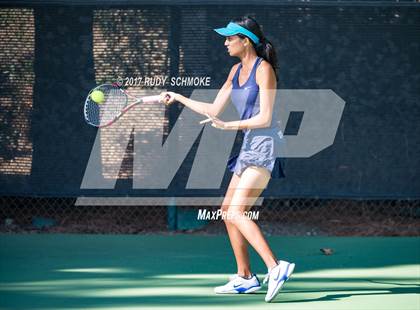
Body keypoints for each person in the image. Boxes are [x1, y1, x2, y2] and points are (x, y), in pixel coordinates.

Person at [160, 16, 295, 303]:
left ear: (245, 40)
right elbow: (213, 108)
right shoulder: (235, 71)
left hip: (266, 145)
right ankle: (246, 277)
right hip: (248, 145)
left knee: (236, 211)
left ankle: (275, 267)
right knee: (227, 210)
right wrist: (180, 97)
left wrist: (227, 126)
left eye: (230, 38)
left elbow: (266, 117)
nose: (225, 42)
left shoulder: (264, 70)